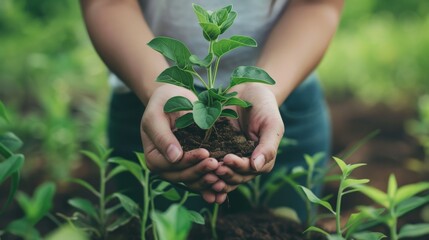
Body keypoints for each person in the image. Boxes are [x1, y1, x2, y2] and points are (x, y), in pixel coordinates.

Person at [80, 0, 343, 221]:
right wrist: (159, 86)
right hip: (152, 103)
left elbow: (318, 4)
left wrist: (263, 87)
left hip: (280, 97)